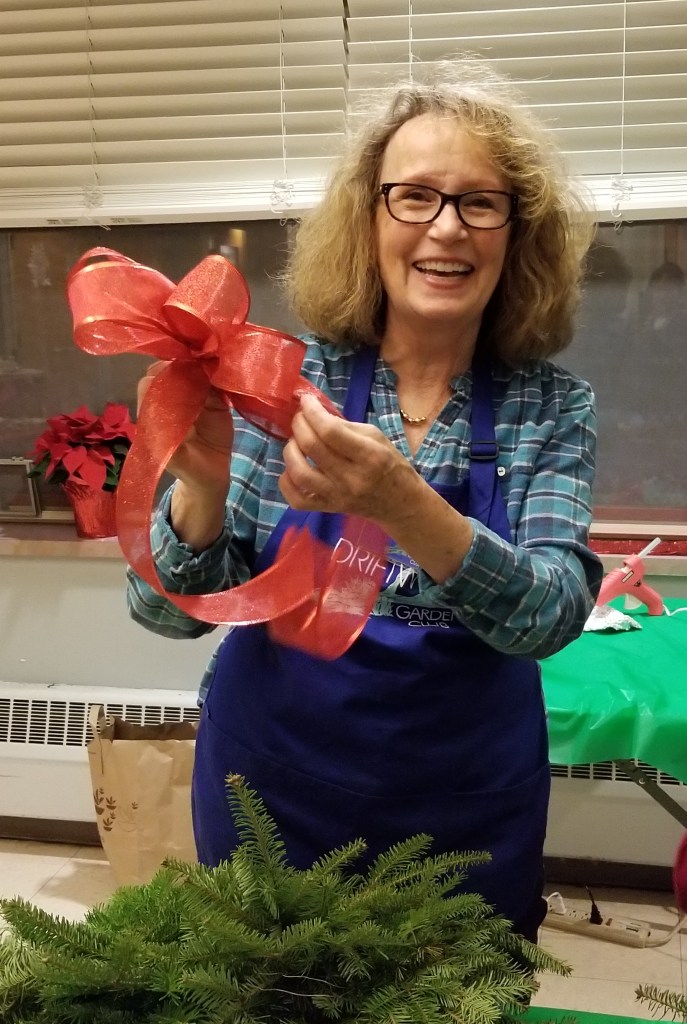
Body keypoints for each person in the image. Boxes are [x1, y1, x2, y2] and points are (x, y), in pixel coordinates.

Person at [127, 59, 602, 943]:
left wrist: (401, 502)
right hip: (272, 798)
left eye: (479, 202)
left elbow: (547, 617)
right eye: (413, 196)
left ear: (517, 232)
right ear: (367, 218)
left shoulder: (550, 409)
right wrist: (200, 486)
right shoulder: (282, 379)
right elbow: (165, 614)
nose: (445, 227)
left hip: (463, 813)